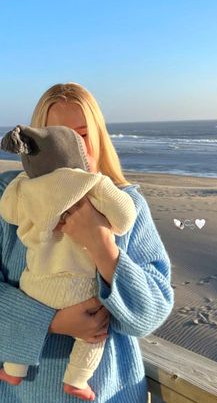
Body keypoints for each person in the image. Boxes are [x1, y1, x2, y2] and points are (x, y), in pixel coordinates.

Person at [0, 82, 174, 403]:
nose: (72, 149)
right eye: (58, 136)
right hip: (22, 395)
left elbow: (151, 314)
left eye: (81, 135)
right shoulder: (10, 197)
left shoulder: (127, 204)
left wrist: (102, 244)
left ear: (97, 137)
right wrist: (49, 322)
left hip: (110, 393)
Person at [0, 124, 136, 401]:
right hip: (79, 287)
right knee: (94, 333)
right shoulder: (91, 182)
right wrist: (103, 235)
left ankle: (14, 369)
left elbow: (9, 213)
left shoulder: (22, 188)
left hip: (34, 285)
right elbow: (124, 220)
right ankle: (77, 380)